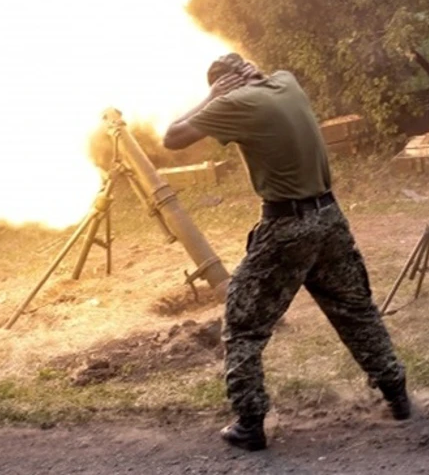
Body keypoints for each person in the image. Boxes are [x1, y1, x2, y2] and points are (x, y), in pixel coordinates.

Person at [162, 53, 409, 452]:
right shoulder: (286, 82)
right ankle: (397, 395)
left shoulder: (232, 103)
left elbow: (172, 138)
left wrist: (209, 97)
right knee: (355, 311)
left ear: (224, 83)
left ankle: (249, 423)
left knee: (242, 324)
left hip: (286, 227)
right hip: (329, 218)